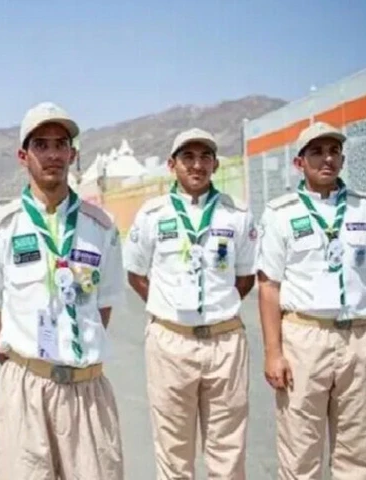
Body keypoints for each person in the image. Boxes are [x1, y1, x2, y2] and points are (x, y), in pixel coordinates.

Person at [0, 102, 125, 479]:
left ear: (73, 154)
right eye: (41, 144)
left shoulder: (101, 227)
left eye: (61, 144)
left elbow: (102, 307)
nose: (53, 154)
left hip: (87, 390)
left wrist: (75, 354)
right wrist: (26, 365)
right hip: (26, 388)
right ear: (23, 156)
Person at [256, 121, 366, 479]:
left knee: (359, 454)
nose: (326, 159)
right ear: (300, 163)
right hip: (305, 340)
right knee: (300, 454)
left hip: (361, 339)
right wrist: (273, 352)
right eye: (316, 152)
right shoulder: (281, 213)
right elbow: (268, 286)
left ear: (343, 159)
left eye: (333, 151)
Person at [123, 128, 257, 479]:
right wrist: (169, 312)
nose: (197, 165)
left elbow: (245, 279)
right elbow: (136, 275)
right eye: (188, 157)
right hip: (170, 342)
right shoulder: (152, 215)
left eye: (204, 157)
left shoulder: (236, 215)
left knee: (227, 450)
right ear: (172, 164)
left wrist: (215, 310)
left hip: (225, 342)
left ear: (215, 164)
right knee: (173, 450)